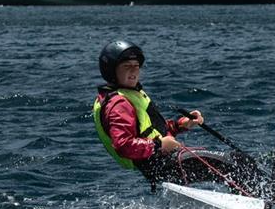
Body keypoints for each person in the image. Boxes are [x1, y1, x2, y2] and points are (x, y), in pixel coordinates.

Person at [93, 40, 234, 189]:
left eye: (136, 66)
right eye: (127, 67)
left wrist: (182, 124)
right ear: (111, 71)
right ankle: (259, 199)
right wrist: (158, 145)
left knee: (232, 162)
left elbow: (152, 130)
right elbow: (123, 145)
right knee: (234, 163)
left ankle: (253, 195)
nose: (134, 71)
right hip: (161, 164)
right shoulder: (118, 104)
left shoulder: (128, 95)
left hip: (163, 162)